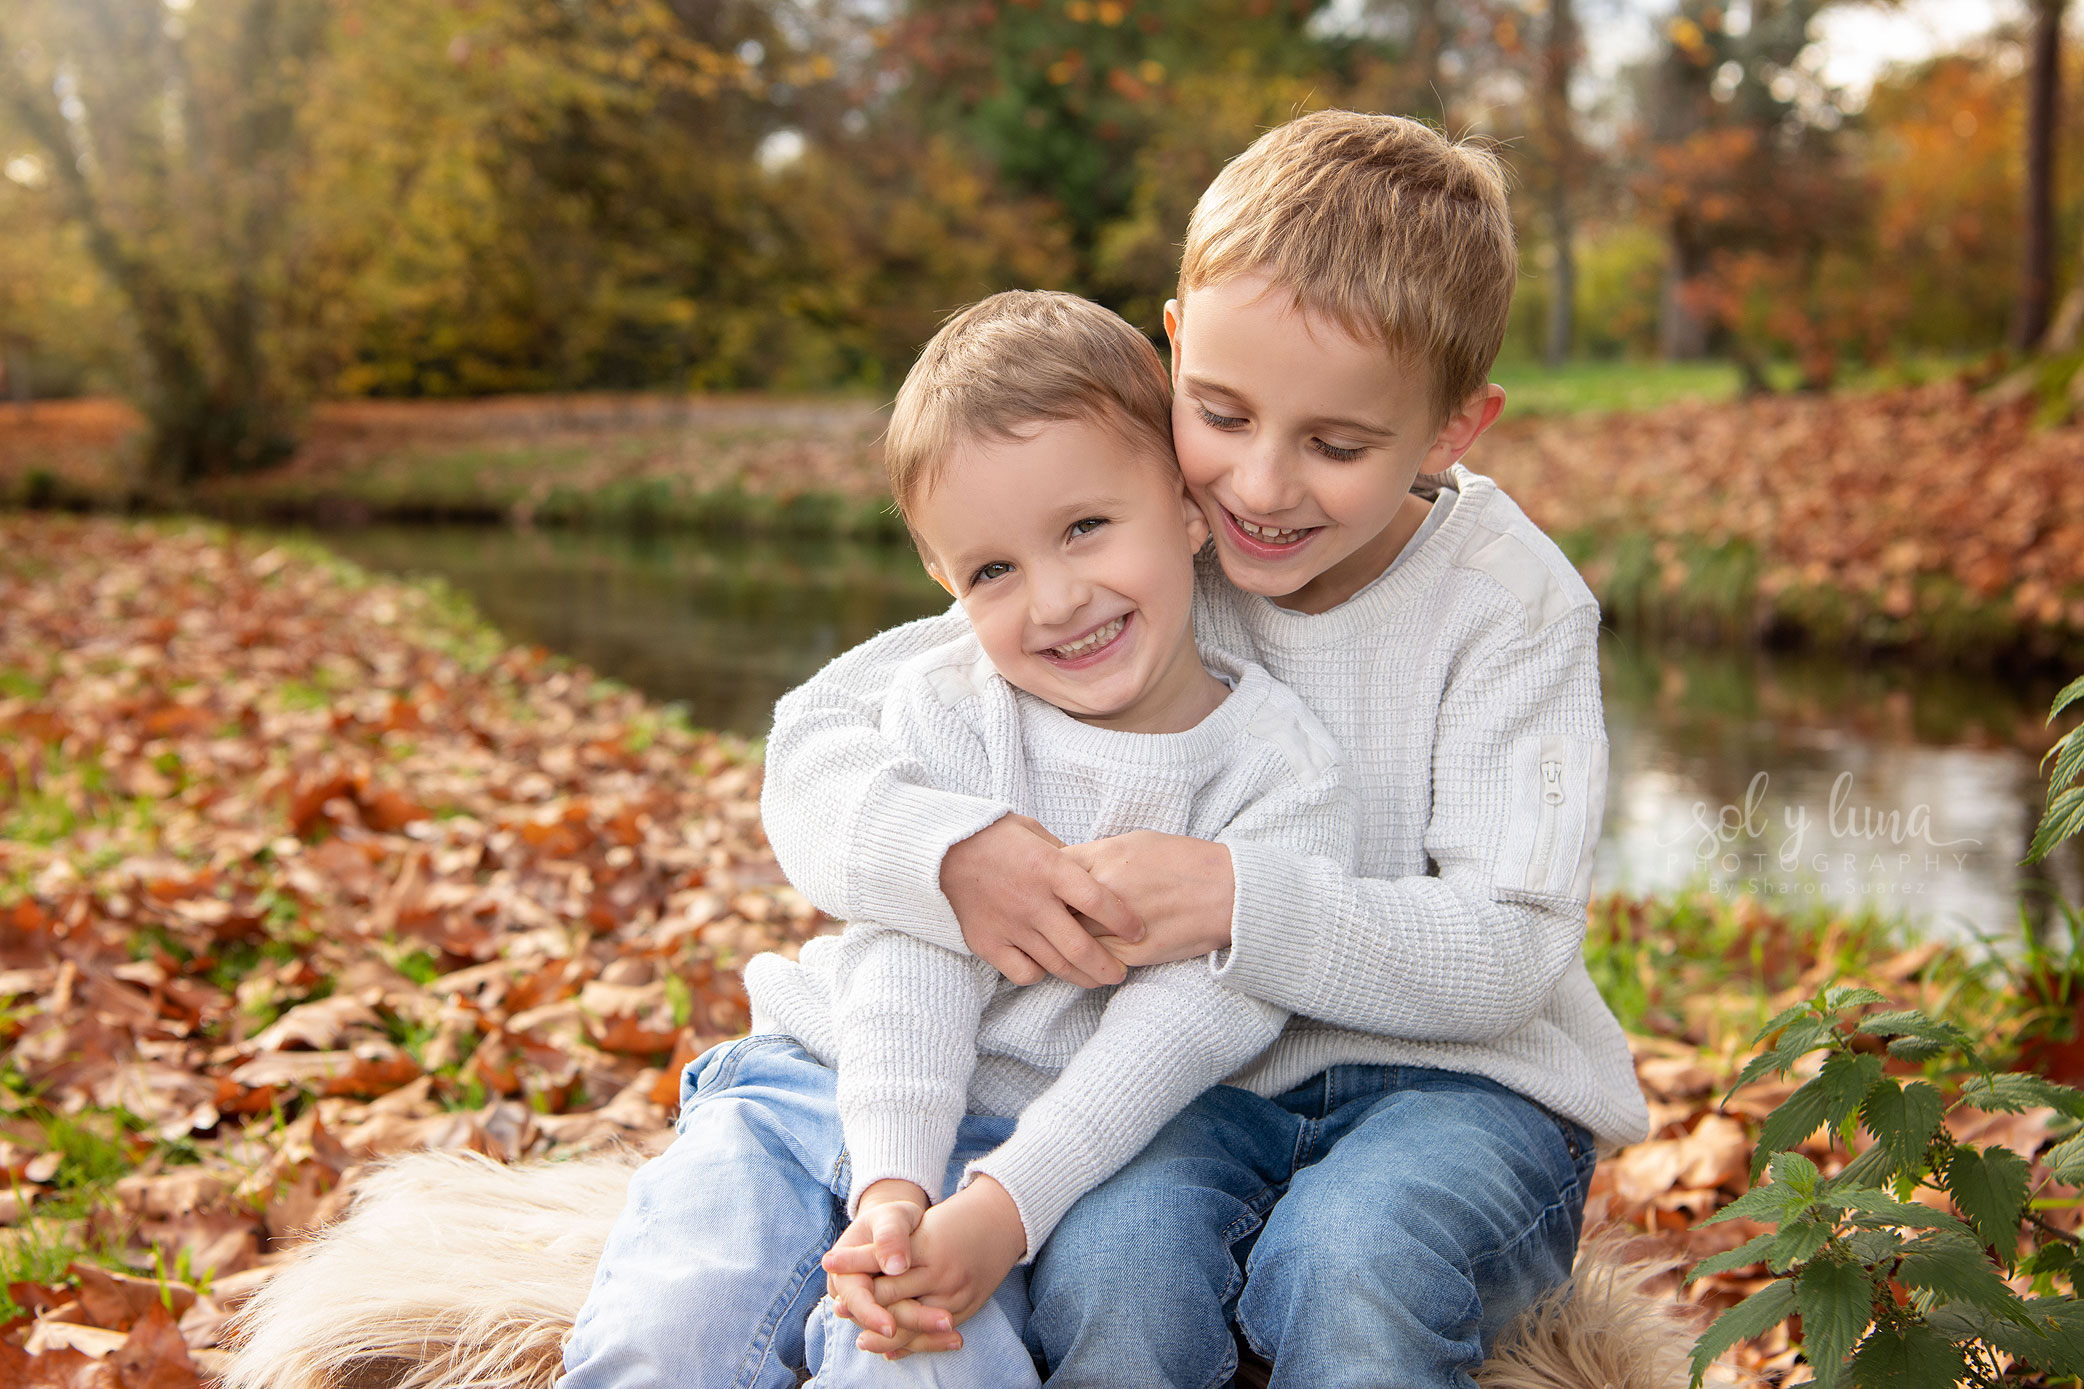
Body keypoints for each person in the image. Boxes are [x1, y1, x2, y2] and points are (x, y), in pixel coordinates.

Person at [758, 111, 1653, 1388]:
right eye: (1219, 412)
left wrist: (1239, 903)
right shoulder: (1142, 539)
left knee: (1352, 1257)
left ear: (1452, 428)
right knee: (1115, 1260)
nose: (1259, 486)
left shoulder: (1509, 610)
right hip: (1192, 1088)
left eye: (1336, 446)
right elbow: (817, 737)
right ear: (1173, 344)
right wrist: (948, 853)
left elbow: (1510, 947)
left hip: (1464, 1091)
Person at [557, 290, 1355, 1389]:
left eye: (1084, 528)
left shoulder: (1279, 774)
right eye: (991, 571)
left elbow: (1176, 1039)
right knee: (667, 1331)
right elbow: (908, 952)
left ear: (1184, 506)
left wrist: (998, 1209)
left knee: (925, 1370)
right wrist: (888, 1182)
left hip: (1010, 1163)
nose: (1056, 599)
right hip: (813, 1090)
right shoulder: (948, 704)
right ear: (943, 583)